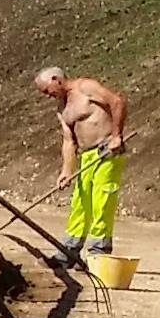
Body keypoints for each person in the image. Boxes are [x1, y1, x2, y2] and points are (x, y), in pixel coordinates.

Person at [36, 66, 128, 261]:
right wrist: (66, 171)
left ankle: (99, 252)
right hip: (86, 155)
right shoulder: (62, 109)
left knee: (102, 200)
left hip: (106, 151)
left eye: (46, 90)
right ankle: (69, 252)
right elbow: (69, 141)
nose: (47, 95)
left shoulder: (86, 87)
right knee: (80, 202)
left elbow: (117, 101)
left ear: (56, 79)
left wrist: (116, 136)